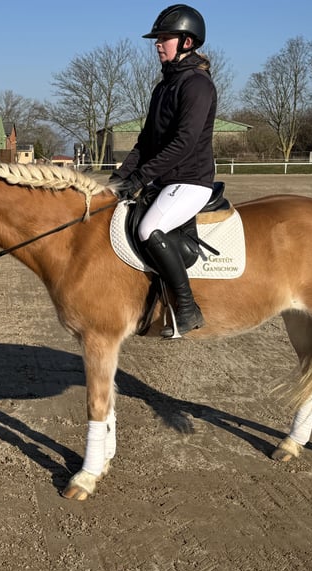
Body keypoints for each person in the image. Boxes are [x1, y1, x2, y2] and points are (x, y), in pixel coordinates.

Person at [109, 3, 217, 338]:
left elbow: (184, 142)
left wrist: (140, 178)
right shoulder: (164, 86)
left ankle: (186, 308)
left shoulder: (197, 85)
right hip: (166, 180)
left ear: (187, 42)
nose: (158, 43)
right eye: (157, 38)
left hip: (190, 180)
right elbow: (146, 140)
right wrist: (120, 179)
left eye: (165, 38)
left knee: (148, 228)